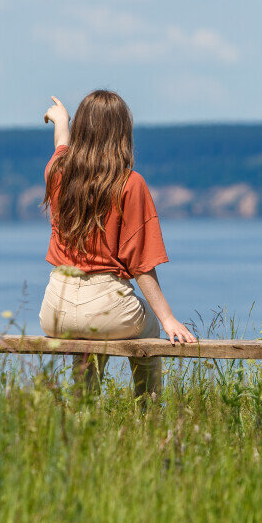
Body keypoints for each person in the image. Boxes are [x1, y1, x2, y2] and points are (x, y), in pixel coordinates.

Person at [40, 90, 196, 397]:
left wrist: (62, 120)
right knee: (148, 329)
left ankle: (83, 408)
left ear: (82, 130)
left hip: (55, 309)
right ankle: (147, 410)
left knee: (86, 339)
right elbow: (141, 264)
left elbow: (61, 146)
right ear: (122, 133)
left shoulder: (57, 173)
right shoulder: (129, 183)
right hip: (105, 303)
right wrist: (167, 319)